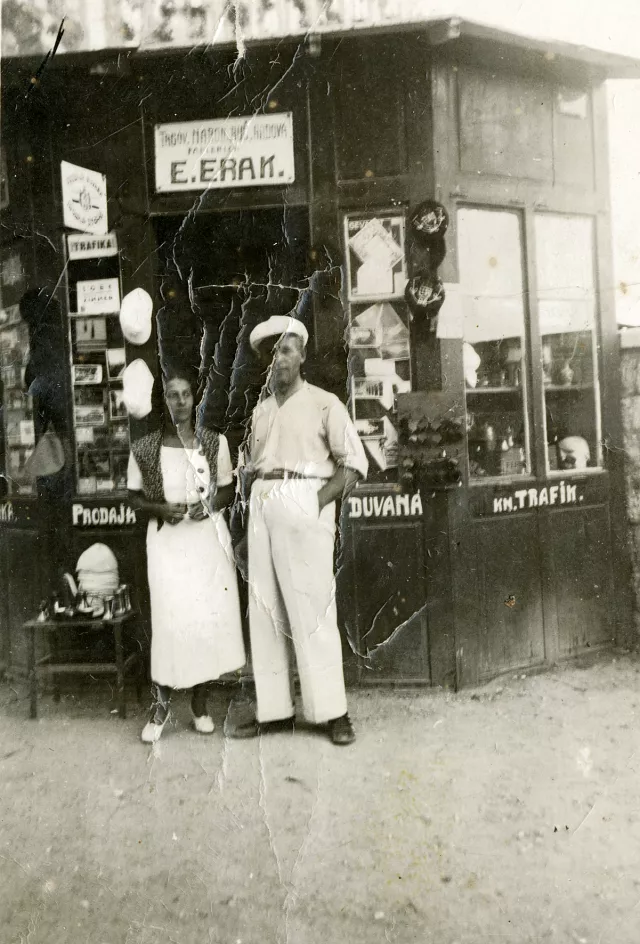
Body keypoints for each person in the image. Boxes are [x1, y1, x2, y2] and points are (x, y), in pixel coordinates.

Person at [231, 315, 368, 746]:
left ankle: (333, 712)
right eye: (272, 355)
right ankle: (274, 711)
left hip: (304, 500)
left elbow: (355, 466)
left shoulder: (326, 403)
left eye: (287, 350)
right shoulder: (261, 411)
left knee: (312, 614)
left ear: (302, 355)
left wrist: (316, 502)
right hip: (263, 507)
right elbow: (250, 471)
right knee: (266, 609)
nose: (279, 361)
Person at [127, 368, 246, 743]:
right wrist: (161, 509)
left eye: (185, 394)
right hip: (167, 544)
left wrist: (209, 504)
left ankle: (200, 704)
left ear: (194, 399)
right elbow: (132, 496)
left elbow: (227, 490)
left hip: (207, 545)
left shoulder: (213, 443)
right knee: (169, 621)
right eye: (172, 394)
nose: (179, 401)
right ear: (163, 400)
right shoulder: (145, 447)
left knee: (205, 621)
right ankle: (160, 708)